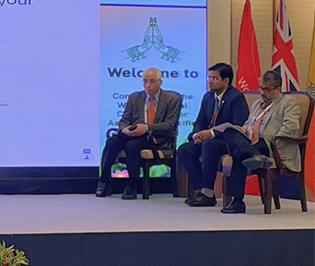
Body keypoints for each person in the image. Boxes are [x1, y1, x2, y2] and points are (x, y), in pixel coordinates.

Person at [210, 71, 301, 214]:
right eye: (261, 88)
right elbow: (249, 124)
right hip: (252, 143)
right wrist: (243, 130)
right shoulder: (257, 103)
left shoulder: (288, 103)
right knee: (229, 131)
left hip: (271, 145)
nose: (262, 93)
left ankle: (237, 201)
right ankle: (256, 156)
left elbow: (291, 128)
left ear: (278, 89)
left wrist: (273, 141)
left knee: (239, 153)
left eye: (267, 89)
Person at [96, 67, 182, 200]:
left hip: (156, 138)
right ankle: (103, 181)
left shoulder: (172, 99)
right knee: (112, 142)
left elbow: (169, 125)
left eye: (152, 81)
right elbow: (124, 120)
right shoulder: (135, 97)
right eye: (145, 81)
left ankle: (132, 186)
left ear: (160, 82)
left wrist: (147, 128)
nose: (148, 85)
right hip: (133, 133)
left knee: (132, 146)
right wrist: (124, 129)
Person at [177, 62, 249, 207]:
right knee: (184, 150)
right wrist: (196, 134)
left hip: (226, 141)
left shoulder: (236, 98)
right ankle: (202, 188)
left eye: (214, 78)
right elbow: (200, 120)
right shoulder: (208, 97)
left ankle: (208, 193)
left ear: (226, 81)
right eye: (209, 77)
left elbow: (237, 127)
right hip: (207, 140)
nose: (210, 81)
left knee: (209, 144)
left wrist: (211, 134)